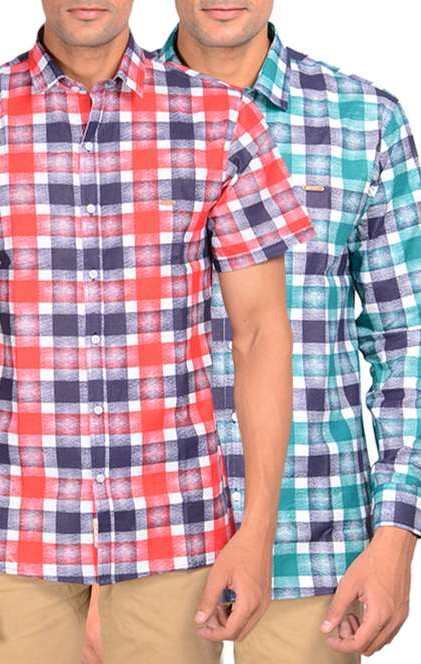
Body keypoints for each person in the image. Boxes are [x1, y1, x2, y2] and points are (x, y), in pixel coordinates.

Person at [0, 1, 315, 663]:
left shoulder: (223, 121)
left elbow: (260, 334)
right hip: (12, 539)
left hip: (178, 538)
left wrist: (256, 534)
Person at [83, 1, 421, 662]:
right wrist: (83, 571)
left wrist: (395, 538)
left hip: (314, 546)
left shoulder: (365, 121)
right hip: (143, 552)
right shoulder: (96, 116)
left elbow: (407, 341)